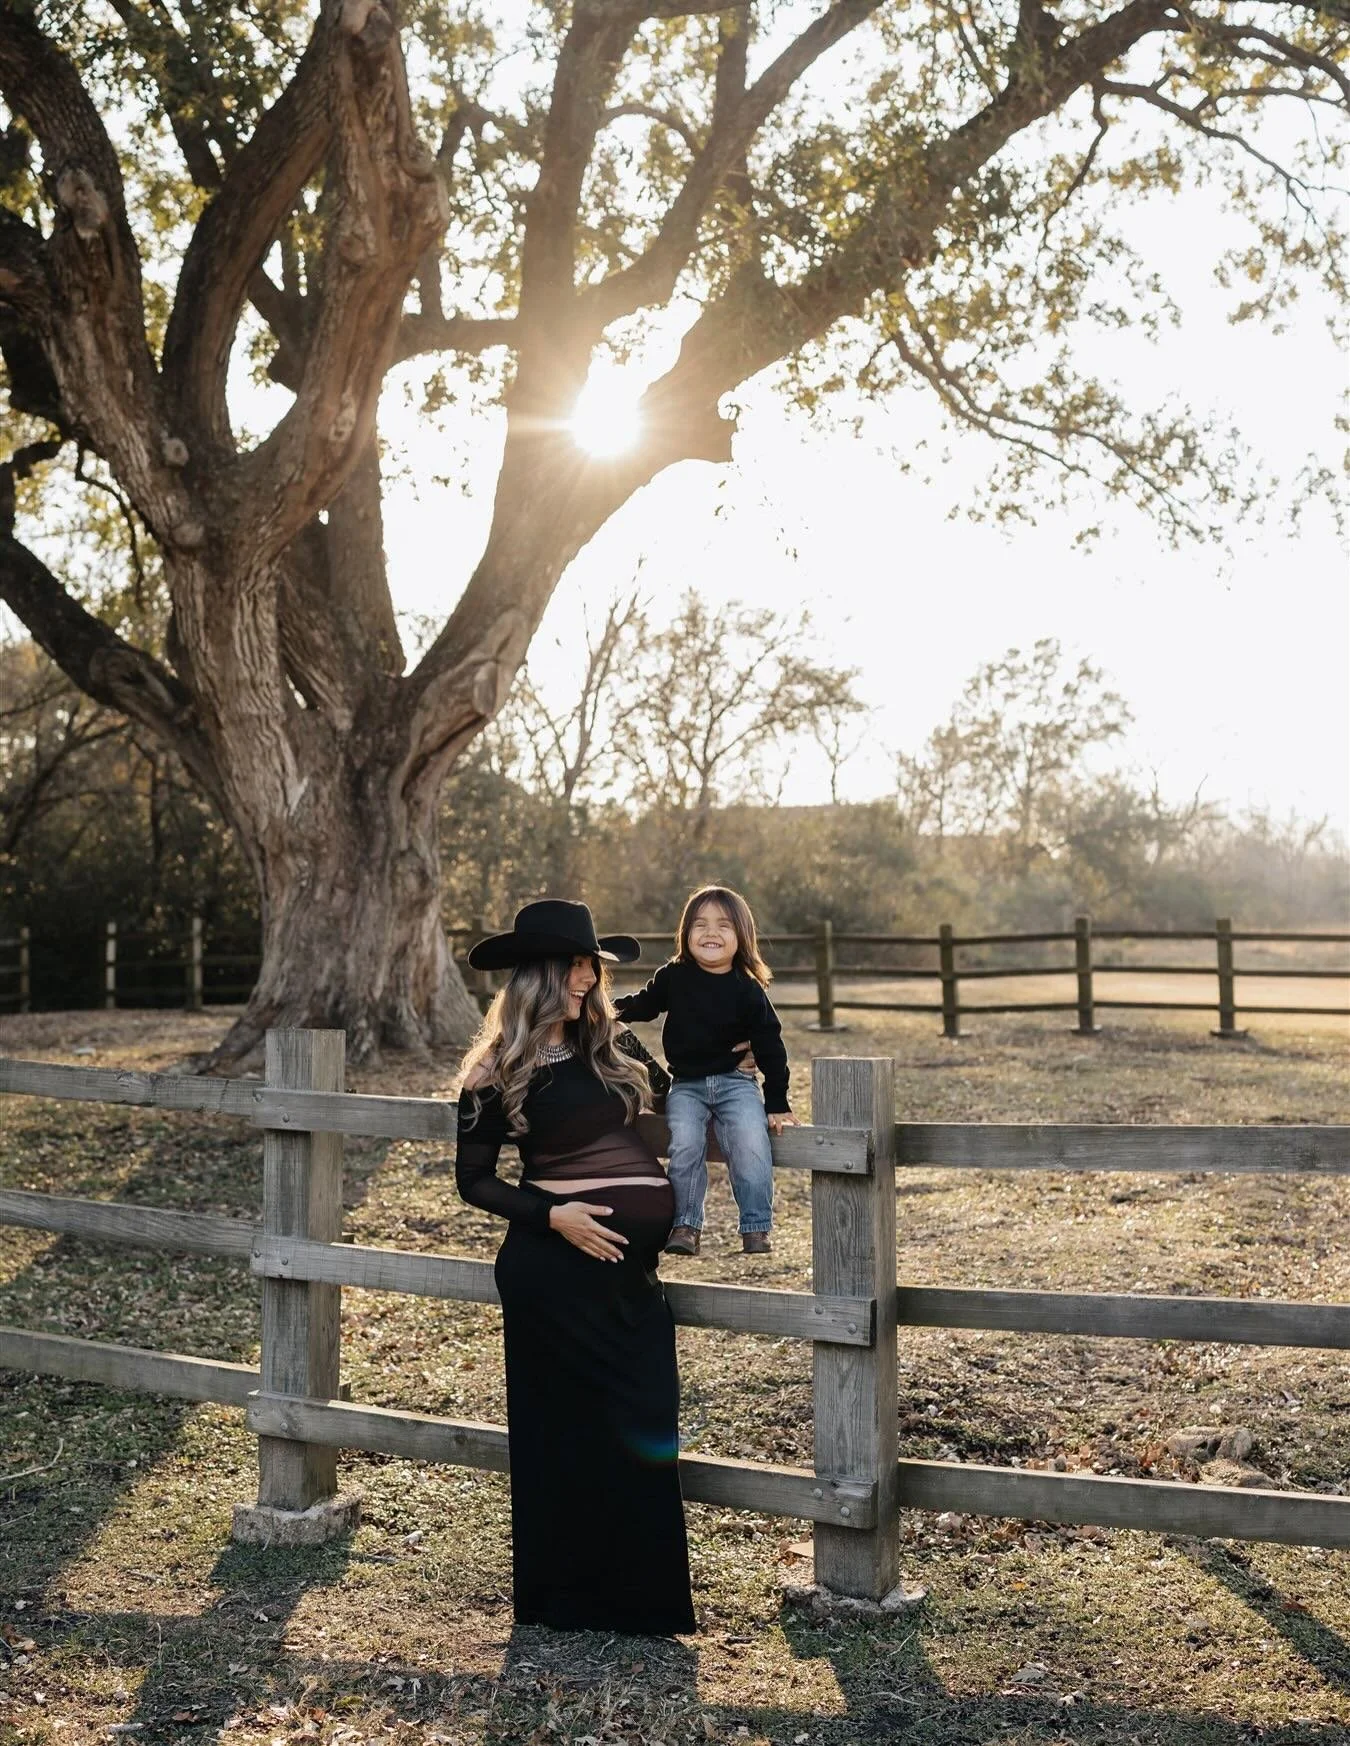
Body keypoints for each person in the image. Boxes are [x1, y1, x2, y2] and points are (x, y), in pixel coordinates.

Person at [454, 899, 695, 1637]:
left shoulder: (618, 1050)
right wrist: (552, 1216)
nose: (590, 979)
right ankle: (565, 1605)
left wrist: (739, 1082)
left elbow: (674, 1113)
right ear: (539, 976)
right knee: (561, 1436)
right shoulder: (496, 1068)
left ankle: (644, 1606)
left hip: (628, 1281)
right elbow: (475, 1181)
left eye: (594, 966)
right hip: (551, 1276)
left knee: (645, 1417)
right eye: (577, 966)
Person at [614, 885, 797, 1258]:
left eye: (724, 925)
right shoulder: (674, 976)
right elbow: (643, 1005)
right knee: (684, 1142)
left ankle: (756, 1226)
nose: (710, 932)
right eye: (700, 924)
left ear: (741, 936)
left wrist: (777, 1100)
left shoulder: (747, 988)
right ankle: (685, 1225)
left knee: (750, 1139)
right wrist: (604, 1010)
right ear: (685, 933)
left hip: (737, 1084)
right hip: (687, 1085)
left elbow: (770, 1044)